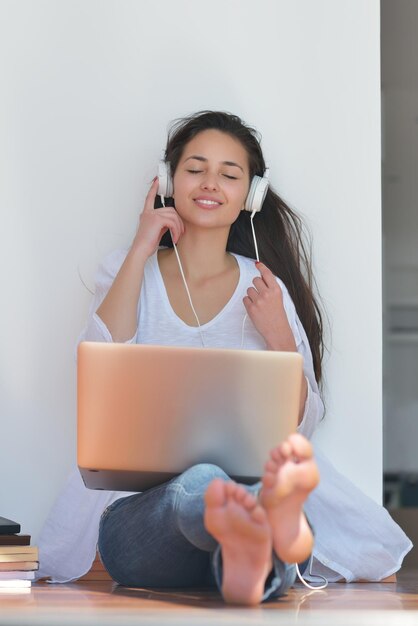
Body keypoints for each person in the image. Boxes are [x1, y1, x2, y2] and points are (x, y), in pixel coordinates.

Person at [36, 111, 412, 598]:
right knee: (205, 486)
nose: (210, 182)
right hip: (143, 523)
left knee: (235, 514)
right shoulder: (130, 271)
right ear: (169, 179)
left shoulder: (265, 291)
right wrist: (140, 247)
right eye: (195, 168)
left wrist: (279, 335)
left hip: (228, 537)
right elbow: (100, 367)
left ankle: (249, 559)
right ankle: (261, 521)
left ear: (250, 194)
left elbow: (302, 425)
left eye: (229, 174)